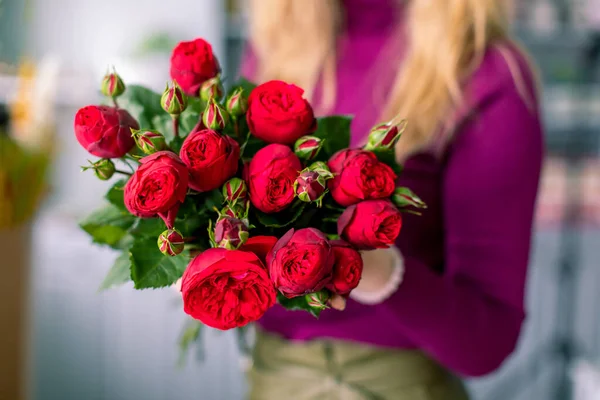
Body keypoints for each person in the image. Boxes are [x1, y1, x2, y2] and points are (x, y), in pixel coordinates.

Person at [240, 0, 543, 398]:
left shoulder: (486, 74)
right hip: (271, 381)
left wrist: (382, 274)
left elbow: (486, 343)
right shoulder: (276, 50)